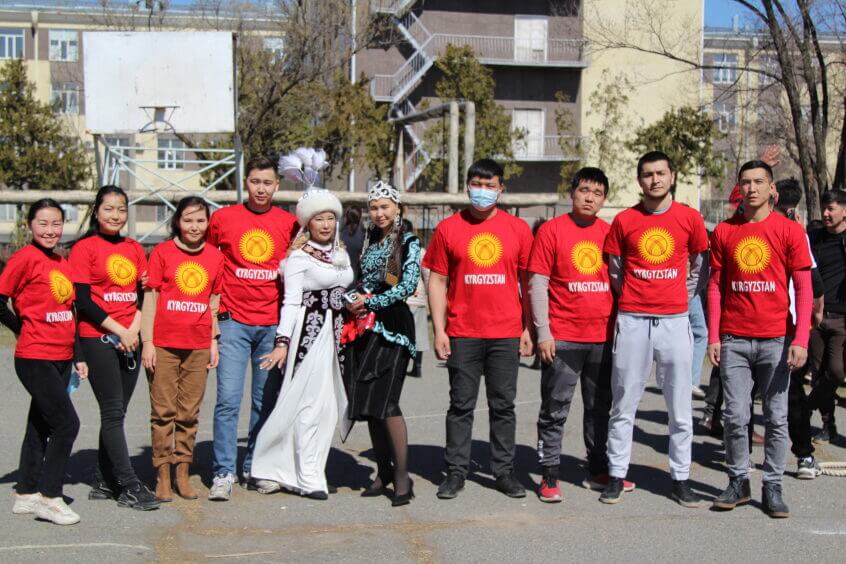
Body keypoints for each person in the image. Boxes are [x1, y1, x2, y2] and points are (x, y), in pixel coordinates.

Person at [601, 151, 709, 507]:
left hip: (675, 321)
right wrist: (635, 297)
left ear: (672, 176)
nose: (655, 180)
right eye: (648, 174)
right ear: (639, 180)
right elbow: (616, 270)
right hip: (633, 320)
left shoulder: (689, 218)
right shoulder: (625, 220)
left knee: (679, 406)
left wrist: (679, 297)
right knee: (623, 403)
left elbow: (699, 267)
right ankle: (616, 474)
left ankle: (680, 478)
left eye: (661, 173)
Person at [707, 160, 812, 518]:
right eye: (746, 182)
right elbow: (715, 287)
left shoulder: (789, 231)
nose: (752, 188)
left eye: (759, 182)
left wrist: (800, 338)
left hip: (776, 339)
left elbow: (803, 288)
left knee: (776, 418)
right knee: (735, 416)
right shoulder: (724, 231)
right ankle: (738, 481)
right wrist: (714, 335)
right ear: (739, 188)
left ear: (772, 189)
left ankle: (773, 486)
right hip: (734, 339)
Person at [424, 158, 534, 500]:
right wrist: (439, 330)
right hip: (463, 332)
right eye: (476, 184)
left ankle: (503, 472)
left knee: (503, 406)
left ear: (501, 189)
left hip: (505, 332)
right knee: (461, 405)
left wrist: (528, 328)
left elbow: (528, 282)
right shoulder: (448, 228)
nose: (482, 191)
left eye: (489, 185)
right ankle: (455, 472)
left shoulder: (518, 229)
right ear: (467, 186)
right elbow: (437, 281)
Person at [250, 153, 354, 500]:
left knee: (327, 408)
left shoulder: (340, 254)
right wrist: (282, 342)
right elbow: (291, 302)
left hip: (336, 338)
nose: (325, 224)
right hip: (309, 337)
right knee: (304, 404)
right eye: (318, 218)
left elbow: (344, 290)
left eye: (330, 218)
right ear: (307, 223)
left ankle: (305, 468)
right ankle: (301, 474)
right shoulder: (298, 258)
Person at [528, 167, 634, 503]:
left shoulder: (610, 232)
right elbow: (538, 283)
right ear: (572, 192)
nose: (590, 198)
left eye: (597, 193)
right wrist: (543, 332)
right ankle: (549, 473)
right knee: (555, 409)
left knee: (600, 407)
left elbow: (620, 281)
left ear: (604, 199)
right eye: (584, 190)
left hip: (602, 337)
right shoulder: (551, 230)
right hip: (562, 337)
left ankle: (598, 469)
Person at [207, 156, 298, 501]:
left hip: (271, 325)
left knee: (264, 401)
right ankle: (223, 471)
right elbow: (206, 260)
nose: (261, 189)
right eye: (255, 182)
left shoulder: (289, 224)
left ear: (277, 185)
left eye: (267, 183)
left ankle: (256, 466)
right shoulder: (223, 219)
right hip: (233, 322)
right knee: (228, 400)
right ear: (245, 182)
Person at [69, 185, 159, 510]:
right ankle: (129, 484)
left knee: (117, 412)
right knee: (111, 410)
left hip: (129, 338)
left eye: (121, 209)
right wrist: (120, 330)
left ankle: (104, 480)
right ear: (96, 211)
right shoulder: (84, 248)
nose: (116, 215)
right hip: (99, 338)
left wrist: (133, 330)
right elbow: (82, 302)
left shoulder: (134, 248)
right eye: (109, 208)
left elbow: (143, 295)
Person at [0, 199, 86, 525]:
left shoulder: (62, 262)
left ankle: (25, 493)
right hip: (35, 356)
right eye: (43, 223)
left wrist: (78, 356)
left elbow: (69, 312)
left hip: (61, 356)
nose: (50, 230)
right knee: (67, 424)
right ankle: (50, 497)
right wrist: (20, 327)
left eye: (56, 224)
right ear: (30, 225)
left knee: (40, 424)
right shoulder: (24, 258)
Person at [141, 197, 224, 502]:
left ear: (208, 223)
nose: (194, 226)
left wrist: (213, 340)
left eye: (200, 220)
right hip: (164, 343)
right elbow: (150, 298)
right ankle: (162, 474)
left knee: (189, 413)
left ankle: (182, 472)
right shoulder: (162, 252)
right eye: (188, 220)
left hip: (198, 344)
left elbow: (213, 301)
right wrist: (147, 342)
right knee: (163, 412)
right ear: (177, 221)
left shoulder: (215, 256)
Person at [346, 181, 421, 507]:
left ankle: (403, 477)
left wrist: (371, 302)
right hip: (365, 328)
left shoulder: (408, 241)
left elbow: (407, 285)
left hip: (393, 327)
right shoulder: (369, 240)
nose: (379, 213)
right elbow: (362, 280)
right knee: (370, 405)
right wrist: (353, 300)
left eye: (385, 207)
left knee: (388, 402)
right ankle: (384, 471)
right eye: (374, 207)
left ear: (398, 208)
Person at [771, 179, 825, 480]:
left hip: (785, 326)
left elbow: (812, 280)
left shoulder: (794, 232)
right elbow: (816, 284)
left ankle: (804, 454)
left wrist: (810, 317)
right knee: (787, 394)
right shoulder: (744, 228)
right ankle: (803, 454)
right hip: (759, 326)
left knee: (788, 393)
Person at [807, 189, 846, 445]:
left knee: (837, 372)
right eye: (824, 208)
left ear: (845, 210)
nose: (826, 213)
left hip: (842, 318)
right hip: (816, 316)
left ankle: (806, 406)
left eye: (831, 208)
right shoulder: (814, 238)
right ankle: (827, 425)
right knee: (818, 373)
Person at [404, 218, 430, 379]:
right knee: (418, 334)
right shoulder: (420, 251)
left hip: (400, 299)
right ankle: (417, 366)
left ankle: (401, 364)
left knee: (402, 333)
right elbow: (427, 274)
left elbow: (389, 276)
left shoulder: (394, 249)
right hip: (417, 297)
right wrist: (427, 292)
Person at [341, 205, 366, 279]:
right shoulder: (363, 235)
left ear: (346, 217)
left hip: (339, 273)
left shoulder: (339, 234)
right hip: (354, 273)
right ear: (359, 217)